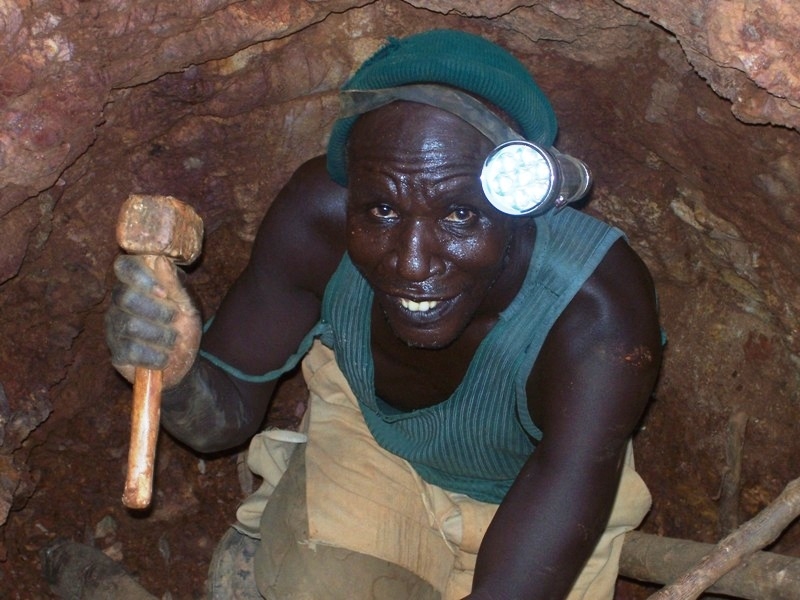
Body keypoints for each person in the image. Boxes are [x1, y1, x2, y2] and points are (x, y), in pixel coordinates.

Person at [106, 29, 662, 600]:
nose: (412, 262)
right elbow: (219, 419)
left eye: (461, 214)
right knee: (317, 587)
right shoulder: (315, 222)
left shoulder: (597, 311)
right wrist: (174, 376)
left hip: (545, 483)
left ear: (524, 204)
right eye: (381, 209)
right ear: (346, 192)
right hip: (378, 444)